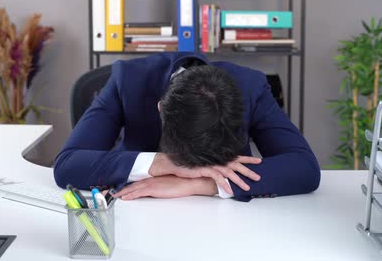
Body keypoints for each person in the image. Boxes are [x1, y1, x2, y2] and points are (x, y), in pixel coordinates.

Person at [53, 52, 320, 202]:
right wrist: (162, 164)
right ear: (161, 109)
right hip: (134, 215)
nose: (190, 172)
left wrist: (205, 183)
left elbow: (305, 168)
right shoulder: (127, 79)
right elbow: (68, 163)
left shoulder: (251, 87)